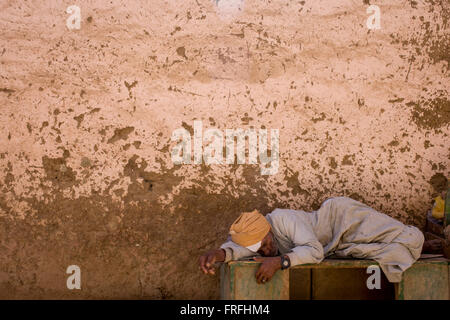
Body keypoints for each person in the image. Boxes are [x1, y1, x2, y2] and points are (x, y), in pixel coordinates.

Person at [199, 196, 443, 284]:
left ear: (268, 230)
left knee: (409, 238)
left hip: (345, 220)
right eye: (260, 250)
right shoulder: (258, 241)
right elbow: (239, 250)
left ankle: (427, 244)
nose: (265, 251)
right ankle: (425, 247)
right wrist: (219, 255)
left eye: (265, 244)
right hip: (337, 244)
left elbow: (314, 251)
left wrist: (280, 262)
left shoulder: (283, 219)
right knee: (390, 250)